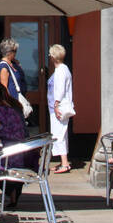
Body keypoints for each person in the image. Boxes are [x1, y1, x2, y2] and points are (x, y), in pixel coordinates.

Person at [47, 43, 73, 173]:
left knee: (59, 134)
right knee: (60, 133)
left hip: (58, 107)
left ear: (53, 57)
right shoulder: (63, 69)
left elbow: (60, 90)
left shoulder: (61, 71)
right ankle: (64, 161)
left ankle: (64, 163)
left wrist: (56, 105)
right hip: (57, 106)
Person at [0, 39, 30, 117]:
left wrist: (18, 65)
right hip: (11, 106)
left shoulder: (13, 64)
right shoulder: (4, 67)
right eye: (15, 51)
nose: (15, 54)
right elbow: (4, 89)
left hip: (17, 104)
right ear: (10, 52)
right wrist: (10, 105)